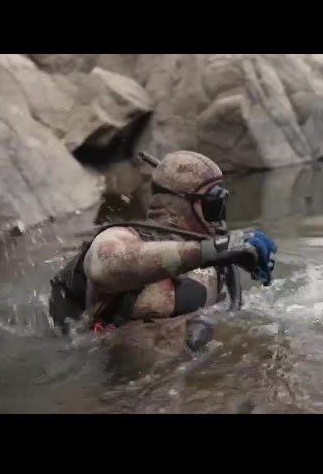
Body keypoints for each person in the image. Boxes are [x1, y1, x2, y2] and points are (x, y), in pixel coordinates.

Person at [48, 150, 277, 364]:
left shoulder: (217, 262)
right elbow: (107, 265)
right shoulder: (121, 237)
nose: (220, 216)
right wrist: (213, 250)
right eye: (215, 204)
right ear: (183, 203)